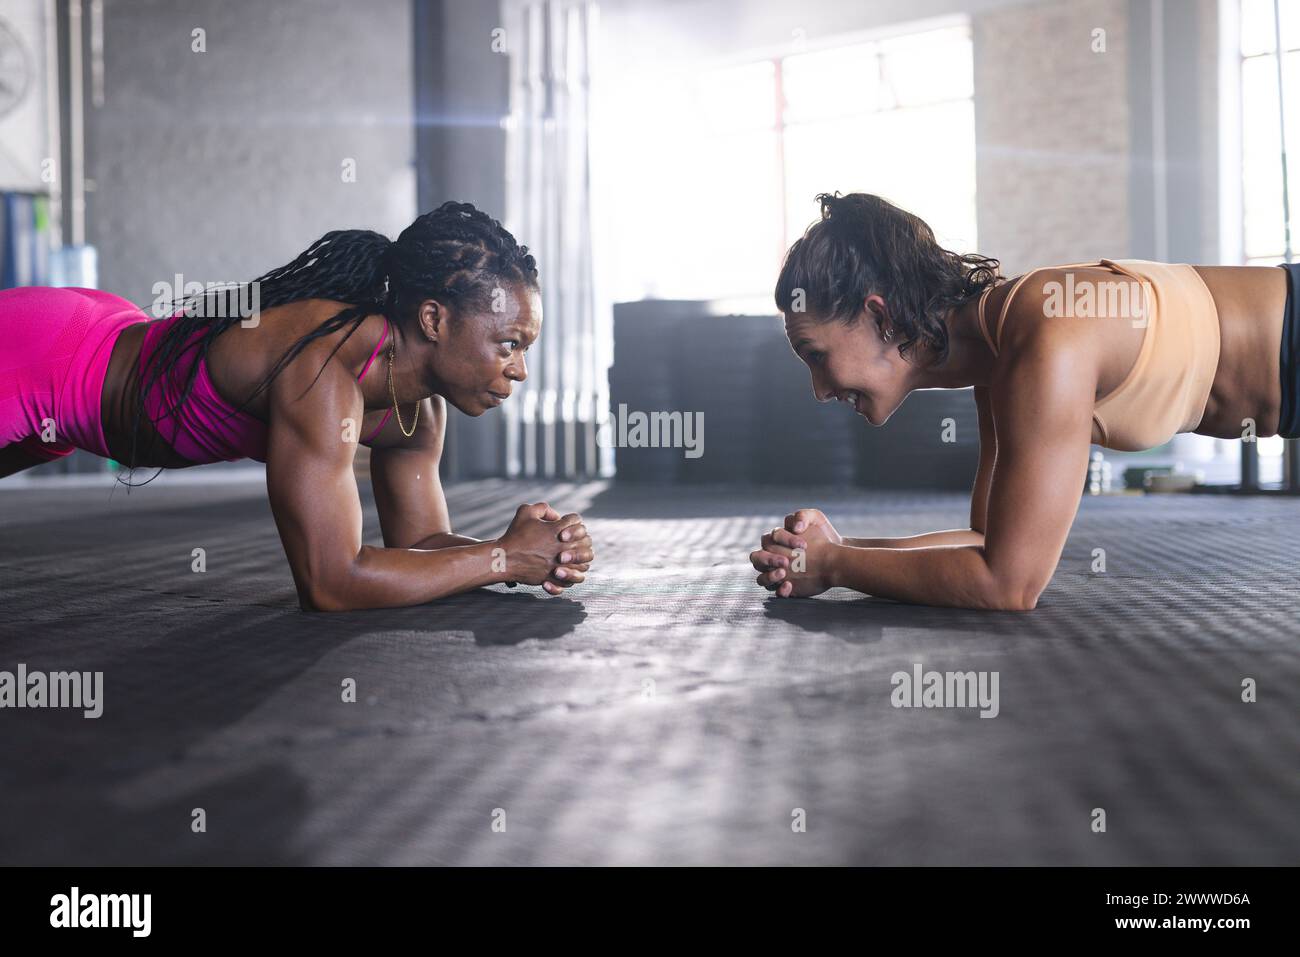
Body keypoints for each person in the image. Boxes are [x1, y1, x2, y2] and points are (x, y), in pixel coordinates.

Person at [0, 202, 595, 611]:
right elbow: (331, 585)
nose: (519, 369)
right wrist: (502, 559)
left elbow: (419, 546)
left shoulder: (417, 411)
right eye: (510, 344)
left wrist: (523, 555)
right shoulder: (323, 366)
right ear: (434, 319)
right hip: (42, 358)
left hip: (91, 350)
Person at [751, 191, 1298, 610]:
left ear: (879, 316)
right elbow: (986, 541)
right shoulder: (1001, 349)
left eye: (816, 354)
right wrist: (838, 550)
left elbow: (1008, 583)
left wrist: (835, 568)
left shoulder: (1044, 337)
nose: (820, 390)